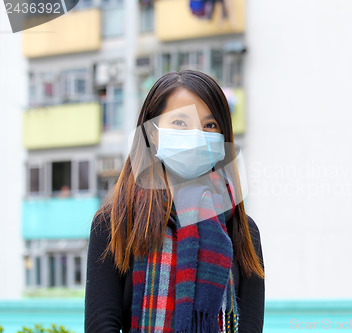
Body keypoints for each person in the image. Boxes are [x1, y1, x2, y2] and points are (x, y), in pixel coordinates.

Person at [85, 70, 265, 332]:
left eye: (210, 125)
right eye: (180, 122)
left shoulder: (243, 229)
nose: (198, 135)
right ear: (153, 132)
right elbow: (101, 324)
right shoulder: (114, 221)